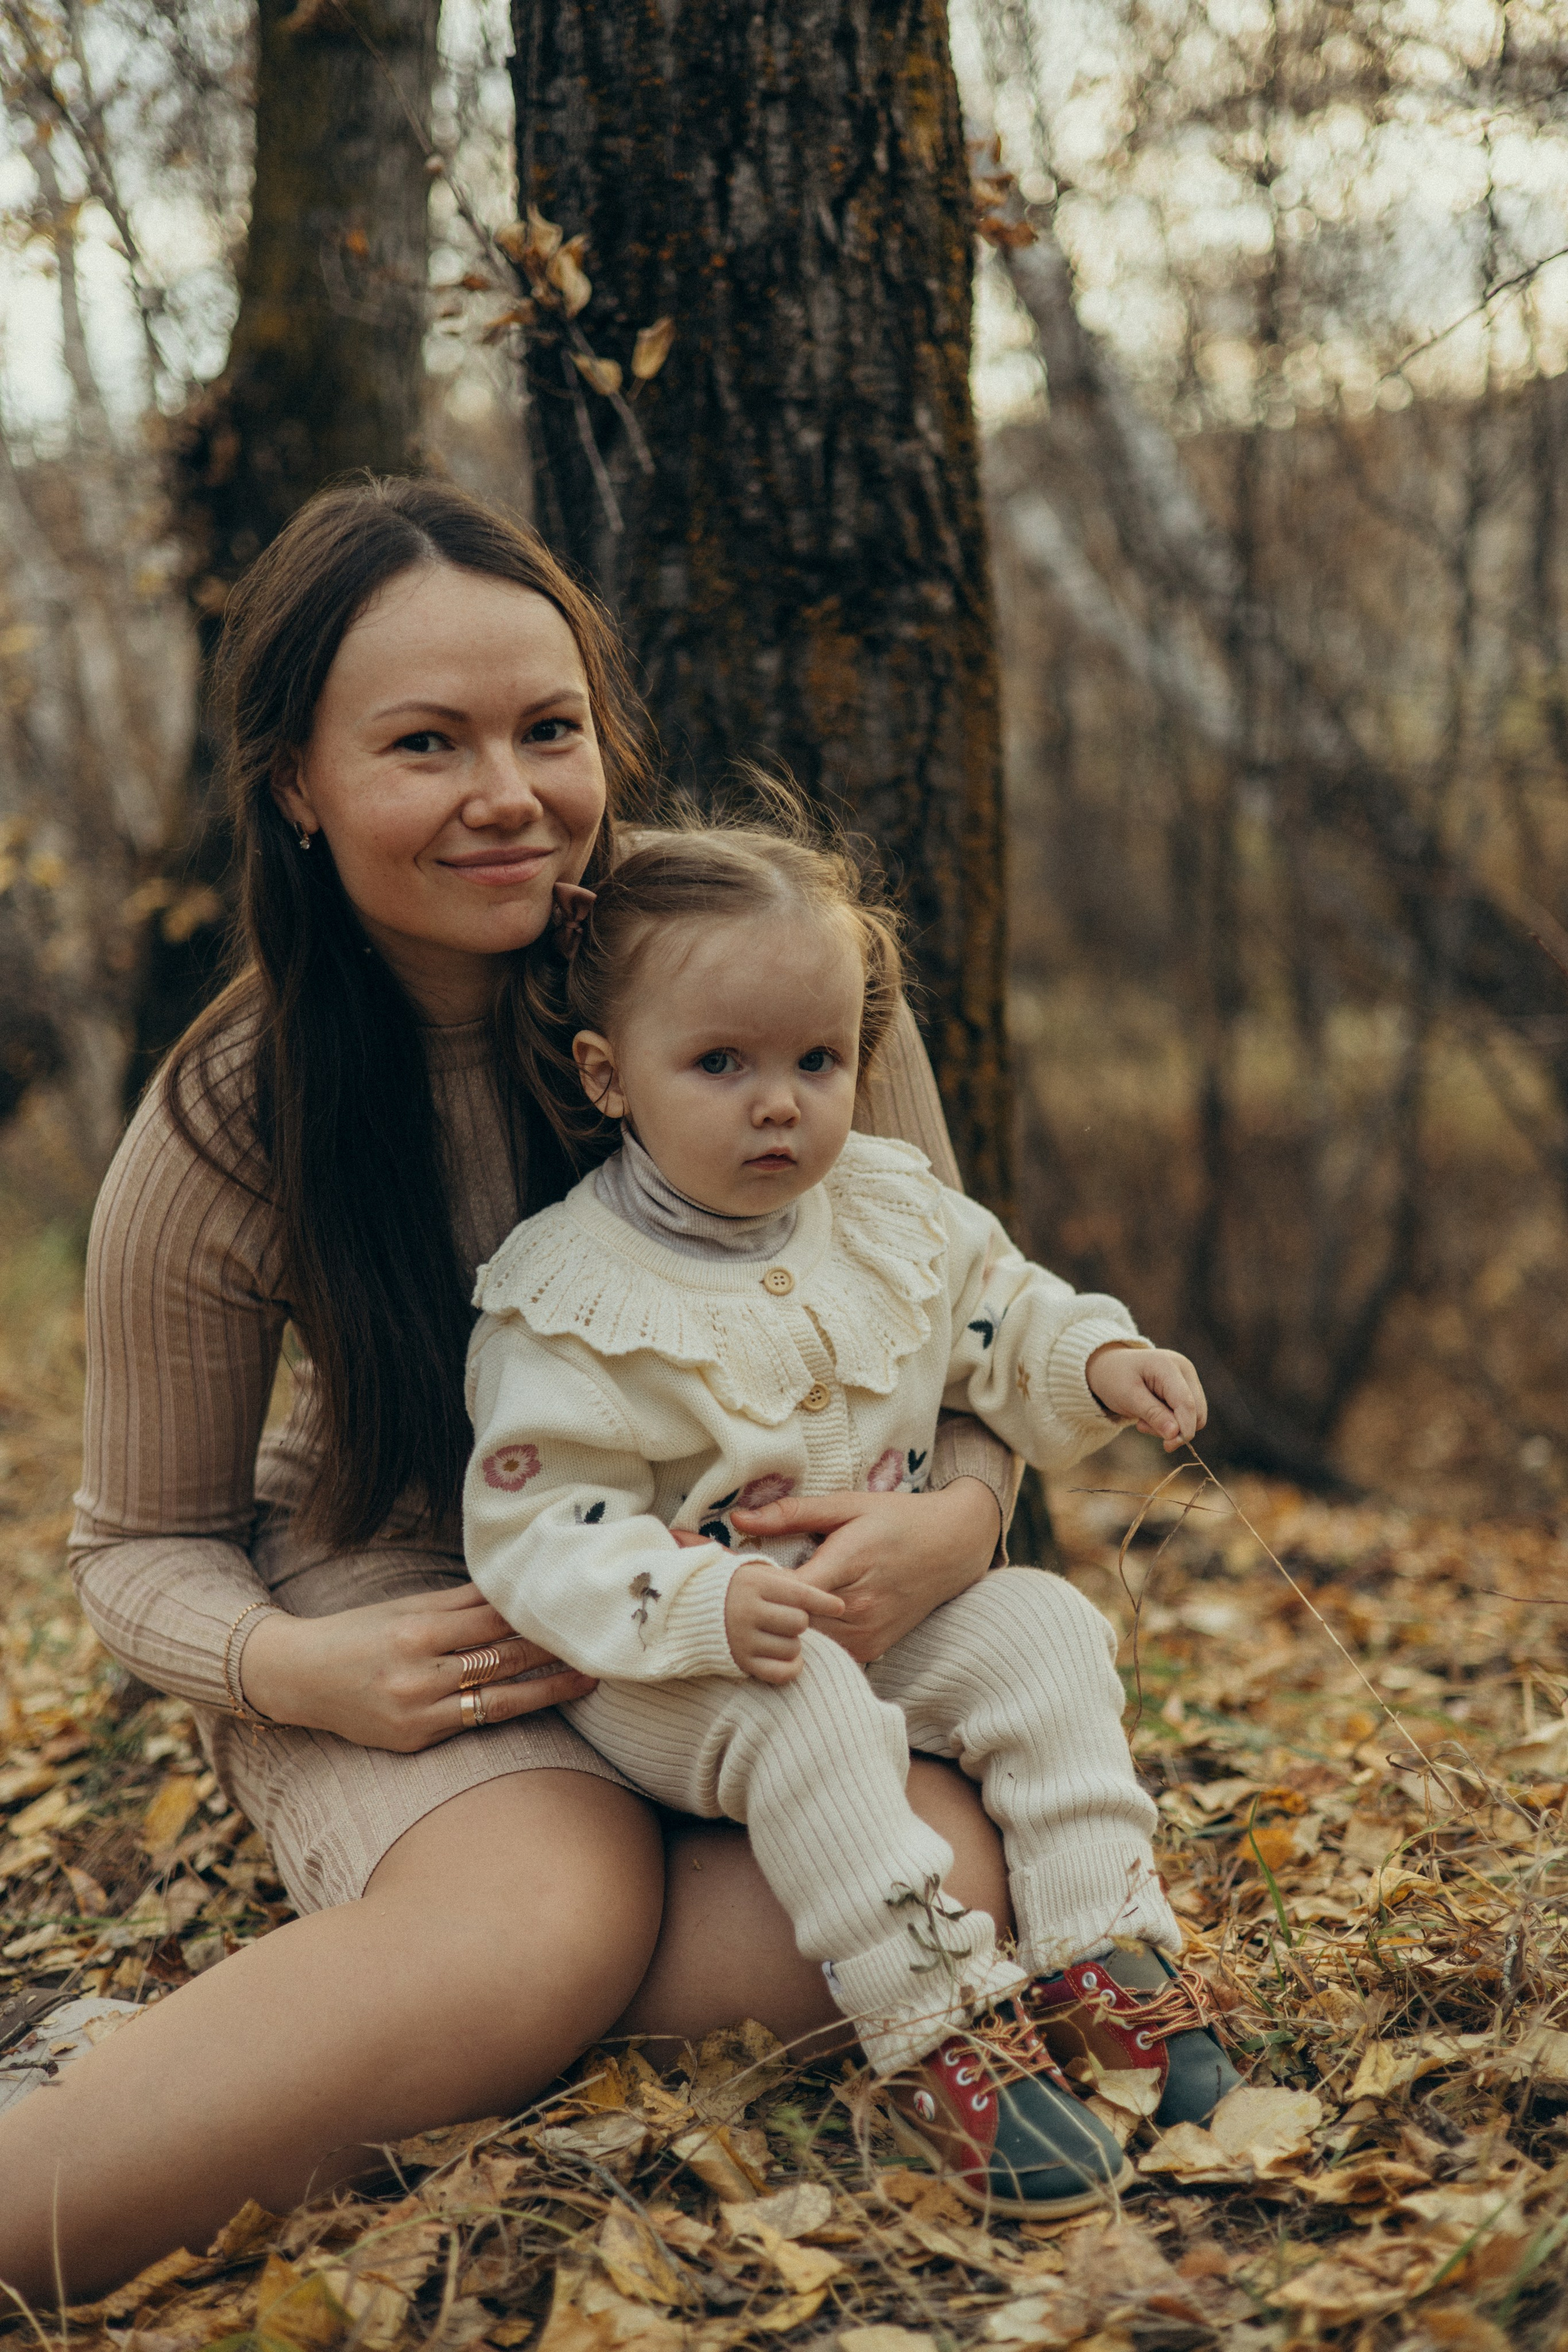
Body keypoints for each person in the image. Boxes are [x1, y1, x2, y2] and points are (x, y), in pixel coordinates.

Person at [0, 480, 1021, 2302]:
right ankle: (86, 2147)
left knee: (935, 1869)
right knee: (547, 1917)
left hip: (714, 1615)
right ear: (297, 786)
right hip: (419, 1619)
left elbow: (963, 1330)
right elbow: (135, 1544)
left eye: (550, 731)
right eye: (425, 744)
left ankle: (256, 2044)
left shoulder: (768, 974)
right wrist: (299, 1669)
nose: (510, 795)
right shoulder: (232, 1116)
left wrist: (958, 1517)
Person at [462, 811, 1239, 2218]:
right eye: (720, 1064)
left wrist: (1093, 1359)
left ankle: (1103, 1953)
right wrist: (699, 1601)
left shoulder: (889, 1209)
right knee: (805, 1699)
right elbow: (535, 1523)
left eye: (815, 1063)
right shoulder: (570, 1290)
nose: (779, 1105)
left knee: (1041, 1624)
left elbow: (1002, 1315)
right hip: (683, 1669)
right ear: (607, 1074)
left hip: (883, 1616)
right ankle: (935, 2027)